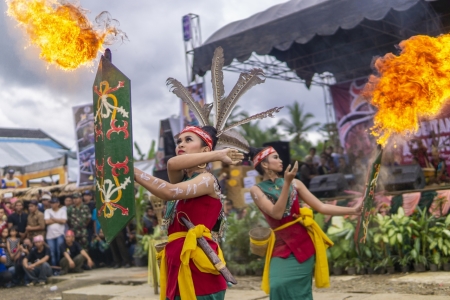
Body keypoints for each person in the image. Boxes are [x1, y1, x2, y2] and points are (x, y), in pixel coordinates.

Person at [134, 126, 245, 300]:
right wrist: (217, 154)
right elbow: (173, 165)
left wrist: (132, 171)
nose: (181, 145)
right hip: (177, 263)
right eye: (179, 141)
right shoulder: (184, 179)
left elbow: (169, 191)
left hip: (197, 265)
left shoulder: (206, 179)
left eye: (188, 140)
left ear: (205, 150)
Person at [248, 146, 362, 300]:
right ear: (265, 164)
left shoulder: (296, 183)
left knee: (300, 293)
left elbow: (321, 206)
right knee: (277, 286)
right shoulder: (256, 190)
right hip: (279, 245)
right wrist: (287, 183)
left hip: (302, 244)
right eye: (275, 157)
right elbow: (277, 213)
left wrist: (353, 210)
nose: (280, 160)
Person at [44, 197, 67, 267]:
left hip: (60, 234)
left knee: (59, 251)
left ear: (58, 203)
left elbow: (64, 221)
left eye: (54, 203)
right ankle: (54, 267)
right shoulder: (47, 211)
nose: (52, 204)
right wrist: (58, 220)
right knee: (52, 252)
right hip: (49, 236)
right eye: (51, 203)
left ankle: (60, 266)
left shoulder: (62, 211)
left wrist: (53, 219)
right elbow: (47, 222)